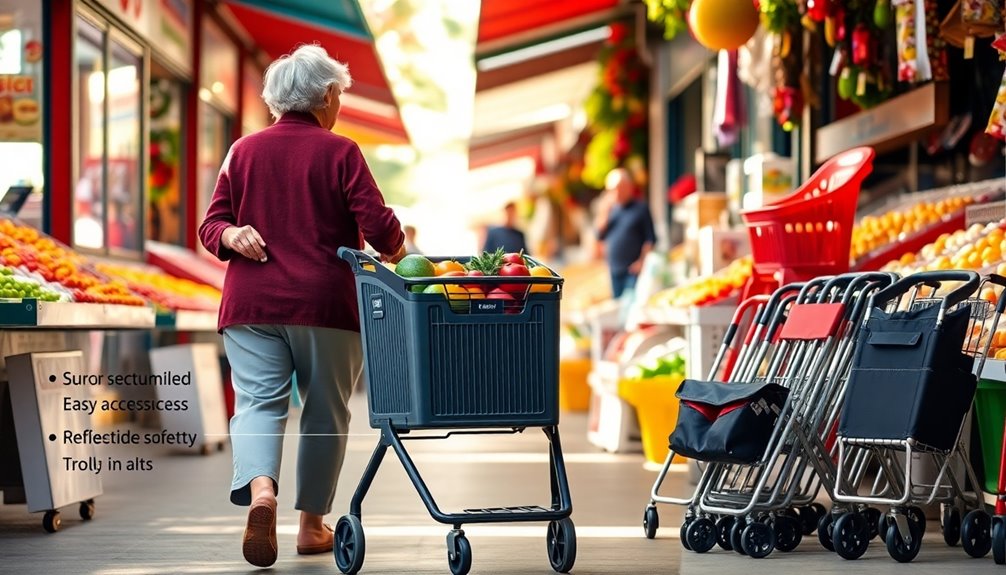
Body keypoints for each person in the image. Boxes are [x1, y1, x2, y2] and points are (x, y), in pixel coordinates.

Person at [198, 45, 405, 569]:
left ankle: (262, 494)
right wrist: (397, 252)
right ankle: (311, 526)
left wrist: (232, 234)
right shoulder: (341, 152)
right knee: (325, 411)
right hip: (325, 305)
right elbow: (380, 228)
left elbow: (210, 227)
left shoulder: (242, 151)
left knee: (258, 403)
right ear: (328, 95)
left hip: (251, 304)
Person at [594, 168, 656, 299]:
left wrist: (641, 261)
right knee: (617, 306)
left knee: (630, 304)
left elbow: (650, 239)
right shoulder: (610, 210)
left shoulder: (641, 208)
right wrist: (605, 212)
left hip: (633, 270)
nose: (617, 192)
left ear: (628, 187)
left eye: (619, 188)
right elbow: (599, 235)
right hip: (614, 269)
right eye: (613, 189)